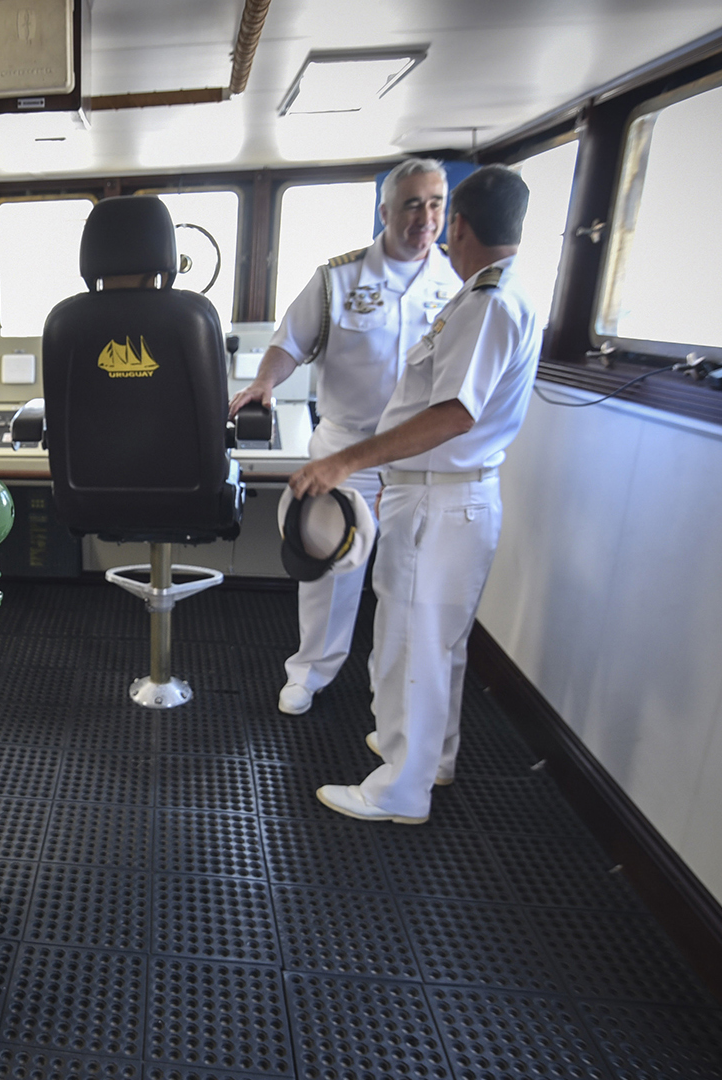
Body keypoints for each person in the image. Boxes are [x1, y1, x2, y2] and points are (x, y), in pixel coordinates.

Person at [287, 164, 540, 825]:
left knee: (413, 641)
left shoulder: (485, 304)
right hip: (451, 496)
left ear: (456, 224)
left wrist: (347, 459)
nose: (429, 222)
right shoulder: (491, 293)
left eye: (438, 210)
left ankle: (399, 789)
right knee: (439, 642)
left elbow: (454, 412)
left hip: (438, 500)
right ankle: (433, 755)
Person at [228, 159, 461, 716]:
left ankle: (391, 690)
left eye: (434, 204)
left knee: (407, 579)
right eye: (411, 204)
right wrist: (264, 382)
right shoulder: (338, 279)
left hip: (417, 455)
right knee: (329, 568)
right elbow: (291, 341)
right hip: (343, 448)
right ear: (384, 212)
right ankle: (309, 672)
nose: (424, 217)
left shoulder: (456, 286)